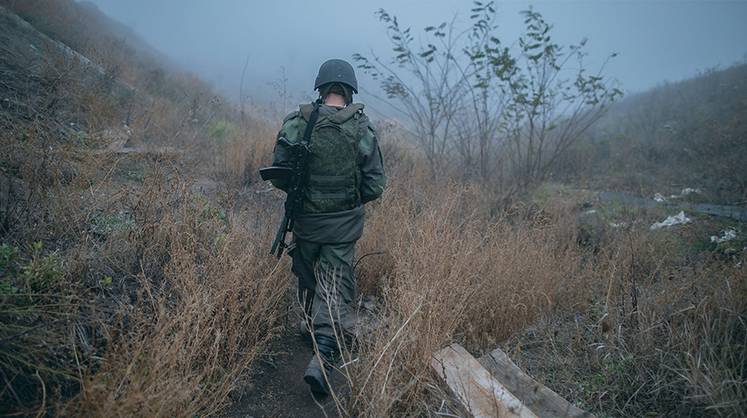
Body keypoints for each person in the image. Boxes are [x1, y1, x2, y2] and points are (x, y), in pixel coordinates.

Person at [269, 59, 386, 395]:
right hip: (343, 226)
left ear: (320, 89)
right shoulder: (362, 129)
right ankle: (324, 356)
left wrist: (307, 199)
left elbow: (280, 172)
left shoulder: (296, 122)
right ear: (349, 91)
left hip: (306, 223)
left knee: (307, 276)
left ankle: (311, 328)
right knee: (333, 285)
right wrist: (348, 202)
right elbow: (375, 184)